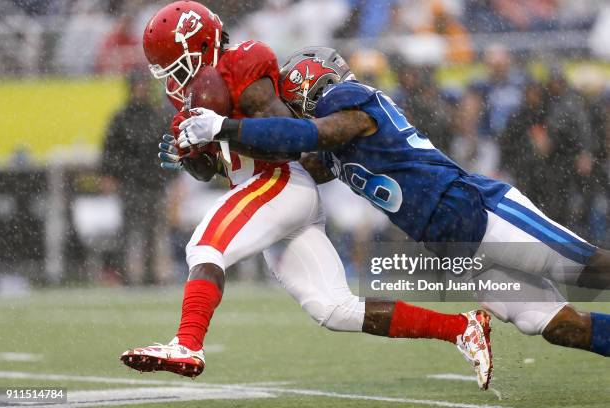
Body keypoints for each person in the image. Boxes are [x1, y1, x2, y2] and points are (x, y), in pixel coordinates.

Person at [121, 2, 493, 389]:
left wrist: (220, 129)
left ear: (201, 47)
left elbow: (285, 143)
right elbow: (213, 170)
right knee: (334, 308)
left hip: (279, 181)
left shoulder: (244, 64)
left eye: (178, 68)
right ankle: (462, 328)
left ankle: (186, 343)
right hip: (265, 192)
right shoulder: (192, 96)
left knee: (204, 246)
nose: (174, 83)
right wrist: (191, 154)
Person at [177, 47, 610, 363]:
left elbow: (310, 136)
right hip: (458, 251)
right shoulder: (332, 140)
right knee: (559, 327)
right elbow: (296, 159)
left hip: (480, 213)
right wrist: (211, 154)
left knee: (589, 270)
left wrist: (227, 126)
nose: (286, 111)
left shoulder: (347, 103)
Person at [100, 69, 171, 285]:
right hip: (129, 182)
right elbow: (110, 150)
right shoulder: (120, 119)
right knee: (128, 231)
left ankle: (151, 277)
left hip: (154, 182)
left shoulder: (158, 116)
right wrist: (109, 175)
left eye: (143, 86)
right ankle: (126, 277)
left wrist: (172, 180)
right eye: (137, 86)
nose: (141, 90)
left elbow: (168, 149)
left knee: (152, 232)